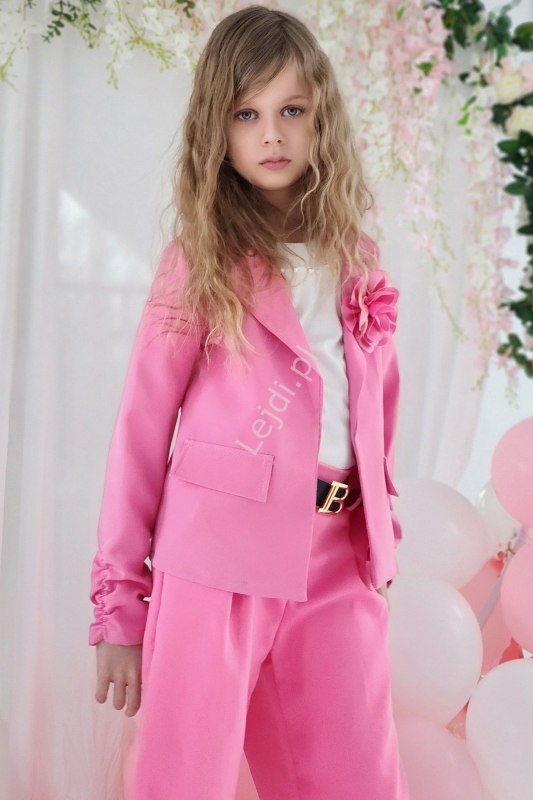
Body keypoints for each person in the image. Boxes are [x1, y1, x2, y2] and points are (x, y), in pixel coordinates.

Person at [89, 5, 408, 799]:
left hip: (336, 558)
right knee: (183, 779)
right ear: (218, 130)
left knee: (358, 780)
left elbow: (376, 409)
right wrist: (120, 607)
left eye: (291, 110)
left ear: (320, 119)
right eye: (247, 114)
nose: (271, 134)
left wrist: (381, 532)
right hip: (215, 561)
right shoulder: (198, 260)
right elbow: (139, 432)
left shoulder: (357, 259)